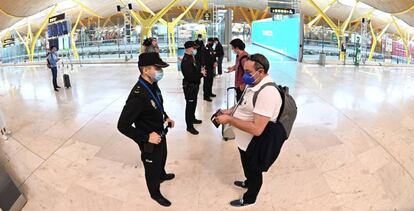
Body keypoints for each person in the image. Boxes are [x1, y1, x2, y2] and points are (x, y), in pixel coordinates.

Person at [214, 54, 283, 207]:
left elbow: (257, 129)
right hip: (243, 141)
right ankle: (248, 181)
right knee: (247, 166)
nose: (244, 75)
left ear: (261, 72)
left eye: (248, 72)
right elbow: (243, 105)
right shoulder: (253, 84)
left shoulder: (267, 93)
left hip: (254, 143)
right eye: (244, 71)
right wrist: (230, 111)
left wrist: (230, 120)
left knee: (254, 170)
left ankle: (250, 197)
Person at [117, 52, 175, 207]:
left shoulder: (152, 85)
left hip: (160, 134)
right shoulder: (138, 96)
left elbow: (157, 105)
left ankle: (161, 175)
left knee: (162, 158)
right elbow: (122, 125)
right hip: (149, 140)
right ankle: (155, 193)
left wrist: (165, 117)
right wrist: (146, 138)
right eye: (157, 68)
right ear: (145, 70)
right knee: (152, 169)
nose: (160, 71)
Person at [181, 41, 206, 135]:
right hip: (189, 86)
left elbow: (194, 70)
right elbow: (190, 77)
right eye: (193, 48)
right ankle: (189, 126)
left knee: (193, 103)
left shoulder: (191, 57)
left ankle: (193, 118)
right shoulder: (186, 61)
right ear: (188, 48)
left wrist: (200, 71)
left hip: (194, 85)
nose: (195, 50)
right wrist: (201, 75)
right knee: (189, 106)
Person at [203, 38, 217, 102]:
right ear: (209, 41)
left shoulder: (211, 48)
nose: (213, 43)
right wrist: (212, 63)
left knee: (210, 81)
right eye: (212, 42)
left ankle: (210, 93)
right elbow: (205, 59)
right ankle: (206, 96)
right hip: (207, 68)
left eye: (213, 42)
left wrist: (215, 62)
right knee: (206, 82)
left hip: (211, 68)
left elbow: (213, 56)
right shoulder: (205, 49)